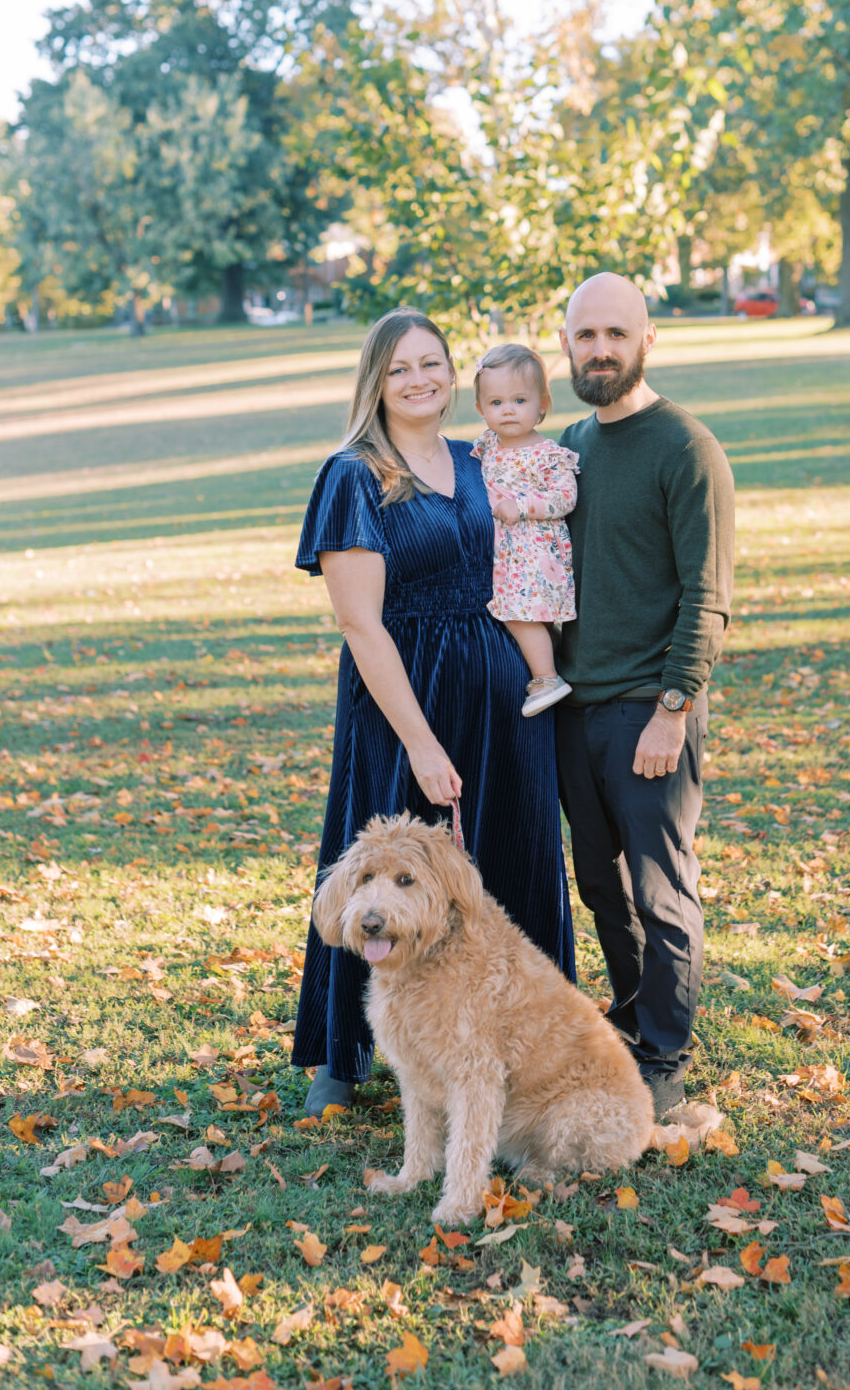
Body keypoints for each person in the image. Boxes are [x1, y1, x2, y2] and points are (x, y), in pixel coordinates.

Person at [293, 309, 576, 1114]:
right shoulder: (354, 473)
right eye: (399, 369)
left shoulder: (478, 460)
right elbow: (359, 622)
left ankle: (525, 1046)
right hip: (403, 695)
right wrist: (417, 740)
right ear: (374, 382)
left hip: (500, 692)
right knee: (382, 870)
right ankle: (344, 1059)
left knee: (514, 857)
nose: (419, 380)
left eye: (431, 363)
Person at [554, 272, 735, 1118]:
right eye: (585, 334)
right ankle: (629, 1021)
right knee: (600, 884)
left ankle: (664, 1055)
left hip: (649, 708)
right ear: (565, 342)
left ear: (646, 340)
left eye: (614, 335)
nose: (599, 350)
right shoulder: (568, 447)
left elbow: (708, 594)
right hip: (571, 707)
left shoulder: (684, 447)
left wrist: (673, 706)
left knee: (660, 891)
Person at [471, 343, 580, 716]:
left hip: (534, 551)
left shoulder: (546, 454)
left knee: (521, 612)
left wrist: (522, 506)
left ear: (542, 404)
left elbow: (566, 497)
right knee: (513, 612)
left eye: (519, 400)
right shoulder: (486, 446)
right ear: (481, 409)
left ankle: (547, 677)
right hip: (505, 551)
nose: (508, 410)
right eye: (496, 402)